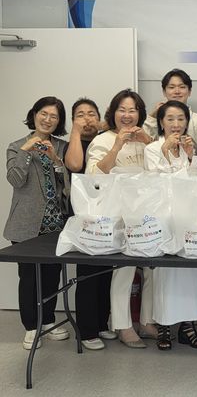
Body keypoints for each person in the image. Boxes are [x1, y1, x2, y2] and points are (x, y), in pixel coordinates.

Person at [85, 89, 156, 348]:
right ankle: (123, 325)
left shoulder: (144, 138)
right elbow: (93, 177)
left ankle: (147, 321)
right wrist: (117, 146)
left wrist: (149, 142)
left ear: (140, 114)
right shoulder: (102, 140)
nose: (127, 115)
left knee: (152, 267)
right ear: (113, 113)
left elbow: (162, 172)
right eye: (122, 110)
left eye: (132, 110)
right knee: (124, 269)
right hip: (115, 213)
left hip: (146, 212)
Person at [4, 96, 71, 350]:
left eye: (54, 116)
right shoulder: (16, 146)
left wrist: (56, 160)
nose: (48, 119)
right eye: (44, 113)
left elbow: (69, 186)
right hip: (26, 223)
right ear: (34, 115)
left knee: (52, 275)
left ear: (59, 121)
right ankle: (31, 327)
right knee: (29, 276)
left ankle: (48, 321)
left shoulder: (62, 146)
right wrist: (27, 151)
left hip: (56, 223)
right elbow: (16, 180)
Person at [144, 100, 197, 351]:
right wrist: (164, 152)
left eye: (181, 118)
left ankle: (188, 326)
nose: (176, 124)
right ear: (161, 122)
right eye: (170, 119)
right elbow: (155, 182)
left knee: (190, 271)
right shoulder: (152, 148)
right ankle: (163, 326)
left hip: (188, 217)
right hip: (163, 218)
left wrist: (191, 157)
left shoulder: (190, 146)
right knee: (165, 273)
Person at [64, 98, 115, 350]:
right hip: (84, 214)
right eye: (80, 115)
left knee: (105, 271)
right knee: (87, 273)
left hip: (107, 212)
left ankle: (101, 323)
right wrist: (75, 131)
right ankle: (86, 331)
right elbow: (75, 165)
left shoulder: (105, 140)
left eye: (92, 114)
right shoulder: (73, 144)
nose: (87, 119)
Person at [142, 68, 197, 146]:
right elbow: (145, 143)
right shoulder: (156, 120)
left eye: (182, 87)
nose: (177, 91)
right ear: (164, 92)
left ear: (189, 91)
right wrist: (152, 116)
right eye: (171, 87)